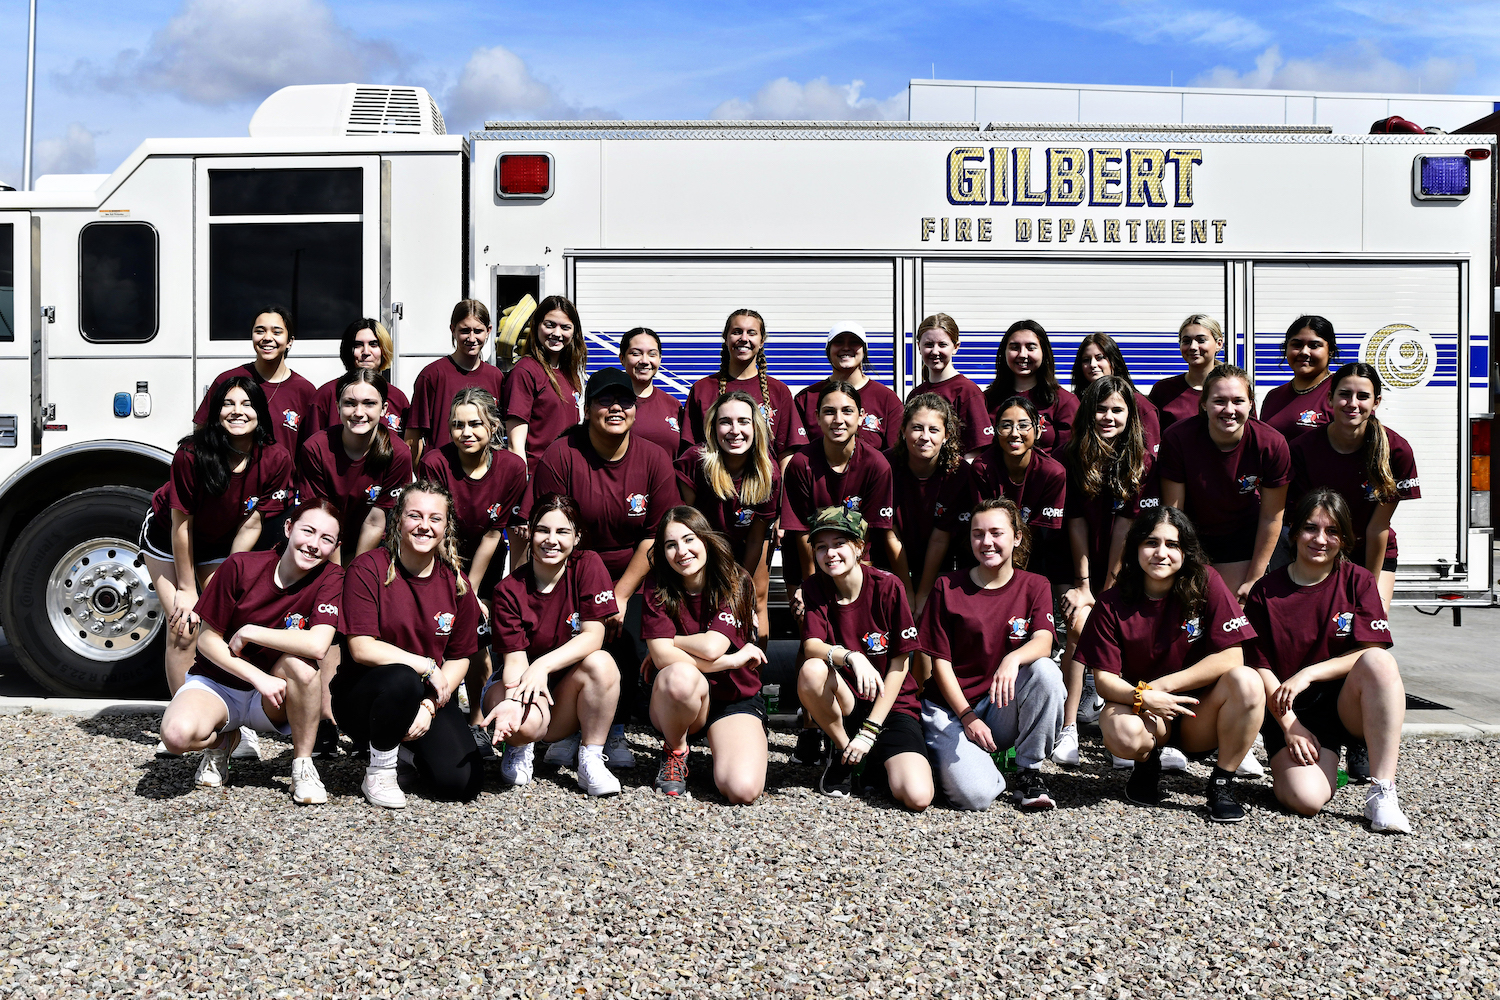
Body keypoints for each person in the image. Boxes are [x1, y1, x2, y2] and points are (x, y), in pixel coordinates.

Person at [1073, 506, 1265, 822]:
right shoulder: (1111, 602)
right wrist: (1144, 696)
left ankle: (1221, 785)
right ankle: (1146, 766)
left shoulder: (1207, 581)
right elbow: (1105, 681)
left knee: (1248, 682)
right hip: (1145, 712)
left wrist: (1162, 686)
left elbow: (1233, 656)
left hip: (1196, 713)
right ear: (1135, 547)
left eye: (1172, 545)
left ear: (1185, 550)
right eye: (1151, 543)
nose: (1161, 553)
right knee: (1121, 732)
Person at [532, 367, 681, 768]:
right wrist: (598, 595)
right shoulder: (562, 455)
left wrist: (620, 594)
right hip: (571, 569)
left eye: (625, 400)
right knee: (571, 637)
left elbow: (656, 536)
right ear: (587, 408)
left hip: (635, 573)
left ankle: (611, 731)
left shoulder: (653, 458)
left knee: (628, 641)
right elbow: (551, 530)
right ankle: (569, 729)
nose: (616, 408)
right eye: (604, 400)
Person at [143, 377, 293, 760]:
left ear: (260, 413)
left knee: (223, 621)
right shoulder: (192, 454)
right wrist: (188, 588)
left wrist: (230, 573)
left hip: (223, 543)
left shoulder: (275, 458)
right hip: (170, 538)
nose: (237, 411)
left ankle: (234, 727)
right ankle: (188, 713)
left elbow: (254, 522)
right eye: (228, 403)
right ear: (215, 411)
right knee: (185, 623)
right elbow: (181, 524)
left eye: (247, 404)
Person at [157, 500, 345, 805]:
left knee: (304, 667)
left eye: (326, 539)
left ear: (336, 545)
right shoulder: (241, 566)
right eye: (307, 531)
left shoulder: (331, 578)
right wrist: (258, 677)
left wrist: (251, 631)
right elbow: (207, 641)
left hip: (275, 696)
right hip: (220, 685)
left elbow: (318, 644)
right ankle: (223, 741)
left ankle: (303, 766)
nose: (313, 545)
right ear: (288, 528)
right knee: (177, 737)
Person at [1244, 489, 1410, 833]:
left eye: (1332, 531)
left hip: (1344, 707)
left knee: (1380, 662)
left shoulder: (1359, 581)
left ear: (1345, 538)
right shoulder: (1265, 590)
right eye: (1311, 528)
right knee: (1305, 800)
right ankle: (1330, 768)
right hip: (1290, 711)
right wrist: (1290, 726)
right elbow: (1258, 666)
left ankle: (1383, 793)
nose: (1321, 539)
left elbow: (1371, 650)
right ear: (1293, 532)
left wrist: (1309, 673)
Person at [337, 480, 485, 808]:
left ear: (446, 526)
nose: (424, 526)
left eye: (435, 518)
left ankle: (405, 752)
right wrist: (426, 665)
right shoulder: (368, 568)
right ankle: (380, 771)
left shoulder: (456, 583)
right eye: (414, 515)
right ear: (398, 521)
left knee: (462, 783)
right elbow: (361, 646)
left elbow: (461, 656)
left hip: (422, 696)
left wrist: (430, 707)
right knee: (402, 676)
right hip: (364, 699)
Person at [917, 499, 1065, 812]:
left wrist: (1012, 659)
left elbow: (1044, 641)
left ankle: (1028, 772)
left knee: (1046, 673)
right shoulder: (947, 586)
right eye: (978, 534)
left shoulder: (1035, 585)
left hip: (999, 706)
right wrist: (967, 716)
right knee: (977, 797)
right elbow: (939, 664)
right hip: (952, 708)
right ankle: (965, 766)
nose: (986, 542)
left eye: (996, 533)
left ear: (1017, 537)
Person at [480, 493, 623, 797]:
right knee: (523, 726)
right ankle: (518, 748)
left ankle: (591, 760)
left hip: (567, 691)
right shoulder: (508, 590)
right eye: (543, 530)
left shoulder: (588, 565)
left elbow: (593, 636)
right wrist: (516, 696)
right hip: (520, 685)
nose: (551, 540)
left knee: (602, 662)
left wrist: (542, 665)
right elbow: (516, 661)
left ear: (577, 536)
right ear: (530, 532)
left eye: (562, 532)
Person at [1055, 375, 1158, 767]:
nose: (1108, 416)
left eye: (1117, 409)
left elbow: (1125, 527)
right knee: (1081, 624)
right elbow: (1076, 521)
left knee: (1115, 628)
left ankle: (1121, 726)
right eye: (1100, 408)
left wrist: (1108, 591)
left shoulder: (1141, 459)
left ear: (1130, 414)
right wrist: (1085, 586)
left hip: (1125, 567)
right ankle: (1069, 729)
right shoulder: (1071, 454)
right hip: (1077, 563)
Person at [797, 507, 930, 809]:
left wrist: (870, 732)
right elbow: (812, 646)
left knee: (917, 796)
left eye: (839, 543)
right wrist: (851, 656)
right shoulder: (815, 587)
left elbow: (900, 665)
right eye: (821, 547)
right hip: (847, 702)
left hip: (891, 705)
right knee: (812, 670)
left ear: (859, 547)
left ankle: (871, 760)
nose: (830, 553)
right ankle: (844, 754)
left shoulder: (888, 586)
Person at [642, 507, 769, 803]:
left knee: (742, 790)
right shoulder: (656, 583)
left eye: (689, 539)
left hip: (733, 696)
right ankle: (676, 751)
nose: (682, 551)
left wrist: (666, 640)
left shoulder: (736, 580)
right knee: (680, 676)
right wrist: (733, 660)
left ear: (706, 540)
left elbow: (712, 647)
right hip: (681, 698)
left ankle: (724, 749)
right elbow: (662, 660)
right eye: (671, 545)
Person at [418, 388, 530, 715]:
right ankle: (438, 709)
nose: (466, 433)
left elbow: (495, 533)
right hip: (438, 555)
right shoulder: (435, 463)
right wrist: (456, 581)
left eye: (475, 424)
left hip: (484, 557)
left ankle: (480, 721)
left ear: (493, 426)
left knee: (478, 636)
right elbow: (436, 530)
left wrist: (472, 589)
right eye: (457, 425)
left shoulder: (511, 467)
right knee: (439, 631)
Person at [1286, 362, 1419, 611]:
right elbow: (1299, 524)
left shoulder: (1396, 451)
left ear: (1376, 402)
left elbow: (1378, 527)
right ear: (1329, 398)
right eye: (1344, 394)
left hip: (1371, 552)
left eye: (1363, 396)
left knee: (1370, 627)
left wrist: (1367, 585)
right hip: (1319, 548)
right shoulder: (1302, 449)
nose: (1353, 403)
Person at [1158, 364, 1290, 602]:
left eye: (1238, 401)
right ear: (1204, 404)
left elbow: (1272, 517)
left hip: (1243, 539)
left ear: (1251, 404)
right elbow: (1174, 514)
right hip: (1192, 537)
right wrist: (1187, 567)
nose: (1229, 410)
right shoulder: (1178, 438)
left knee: (1232, 611)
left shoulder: (1271, 444)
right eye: (1219, 401)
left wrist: (1255, 578)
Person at [780, 381, 898, 620]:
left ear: (861, 416)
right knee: (811, 643)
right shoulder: (800, 464)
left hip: (856, 563)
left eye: (847, 410)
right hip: (809, 564)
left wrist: (852, 584)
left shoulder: (876, 465)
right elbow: (802, 532)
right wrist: (812, 585)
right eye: (829, 411)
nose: (838, 419)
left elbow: (869, 534)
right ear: (816, 417)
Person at [677, 391, 781, 631]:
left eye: (743, 421)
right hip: (702, 544)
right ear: (713, 428)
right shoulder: (694, 461)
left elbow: (756, 538)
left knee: (754, 599)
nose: (735, 430)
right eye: (726, 422)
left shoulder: (769, 472)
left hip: (745, 543)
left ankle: (754, 666)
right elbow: (683, 524)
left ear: (756, 427)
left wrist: (739, 583)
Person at [296, 369, 415, 565]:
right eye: (350, 403)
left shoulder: (398, 454)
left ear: (384, 408)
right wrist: (335, 573)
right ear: (337, 406)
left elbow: (375, 522)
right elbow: (323, 518)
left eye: (369, 404)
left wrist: (355, 572)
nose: (359, 413)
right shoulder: (315, 449)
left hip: (372, 545)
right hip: (322, 542)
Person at [886, 393, 979, 615]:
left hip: (940, 565)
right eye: (917, 428)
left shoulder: (959, 473)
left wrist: (923, 594)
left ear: (947, 435)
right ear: (903, 431)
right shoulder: (885, 466)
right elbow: (891, 534)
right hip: (891, 562)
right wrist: (906, 591)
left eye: (934, 430)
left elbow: (940, 538)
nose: (925, 437)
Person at [681, 309, 805, 465]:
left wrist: (781, 489)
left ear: (762, 341)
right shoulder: (702, 389)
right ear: (726, 338)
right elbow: (691, 450)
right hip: (713, 486)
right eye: (737, 332)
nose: (744, 338)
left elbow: (787, 452)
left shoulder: (779, 391)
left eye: (751, 333)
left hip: (765, 486)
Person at [193, 305, 317, 459]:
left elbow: (309, 450)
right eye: (260, 331)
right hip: (231, 481)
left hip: (283, 482)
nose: (267, 337)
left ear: (290, 341)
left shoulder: (305, 390)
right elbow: (201, 433)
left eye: (276, 332)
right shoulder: (227, 380)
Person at [971, 395, 1068, 583]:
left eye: (1023, 425)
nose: (1015, 433)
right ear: (996, 431)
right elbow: (983, 526)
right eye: (1006, 425)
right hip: (990, 553)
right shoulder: (982, 468)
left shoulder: (1053, 473)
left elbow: (1045, 536)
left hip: (1039, 560)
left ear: (1038, 431)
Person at [406, 300, 506, 462]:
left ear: (488, 331)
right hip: (442, 474)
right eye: (465, 331)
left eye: (478, 331)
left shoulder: (496, 376)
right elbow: (413, 437)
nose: (472, 338)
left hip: (483, 473)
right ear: (453, 330)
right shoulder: (432, 375)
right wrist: (425, 477)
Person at [503, 295, 587, 474]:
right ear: (536, 326)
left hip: (567, 475)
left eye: (565, 327)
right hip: (538, 476)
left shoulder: (571, 374)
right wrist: (523, 484)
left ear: (574, 332)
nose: (557, 333)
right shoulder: (525, 371)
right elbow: (514, 445)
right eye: (549, 325)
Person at [793, 322, 905, 452]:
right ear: (828, 350)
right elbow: (796, 455)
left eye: (854, 342)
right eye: (839, 342)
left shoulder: (887, 399)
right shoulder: (806, 398)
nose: (846, 347)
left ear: (864, 350)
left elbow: (897, 454)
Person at [983, 319, 1079, 459]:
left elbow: (1069, 458)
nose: (1022, 354)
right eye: (1015, 347)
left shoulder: (1065, 402)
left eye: (1031, 347)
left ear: (1043, 352)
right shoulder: (986, 400)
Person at [306, 318, 411, 438]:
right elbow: (312, 448)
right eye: (358, 345)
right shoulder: (326, 395)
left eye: (373, 344)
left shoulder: (398, 398)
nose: (366, 352)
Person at [909, 313, 992, 459]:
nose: (935, 351)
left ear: (956, 347)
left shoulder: (967, 391)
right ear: (919, 347)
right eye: (928, 345)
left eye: (942, 345)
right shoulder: (916, 394)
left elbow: (976, 451)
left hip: (955, 478)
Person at [1070, 333, 1161, 452]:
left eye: (1100, 357)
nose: (1092, 364)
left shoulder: (1140, 403)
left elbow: (1152, 454)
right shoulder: (1075, 402)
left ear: (1113, 360)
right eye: (1086, 360)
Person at [1260, 315, 1339, 444]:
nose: (1304, 352)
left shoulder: (1343, 394)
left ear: (1330, 351)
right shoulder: (1274, 396)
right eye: (1297, 345)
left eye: (1314, 346)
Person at [1149, 314, 1233, 433]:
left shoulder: (1235, 388)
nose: (1193, 347)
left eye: (1201, 340)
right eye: (1186, 341)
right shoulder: (1163, 390)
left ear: (1219, 344)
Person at [620, 327, 685, 458]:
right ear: (622, 358)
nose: (644, 361)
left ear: (660, 359)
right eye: (636, 353)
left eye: (652, 354)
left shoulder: (673, 405)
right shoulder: (611, 405)